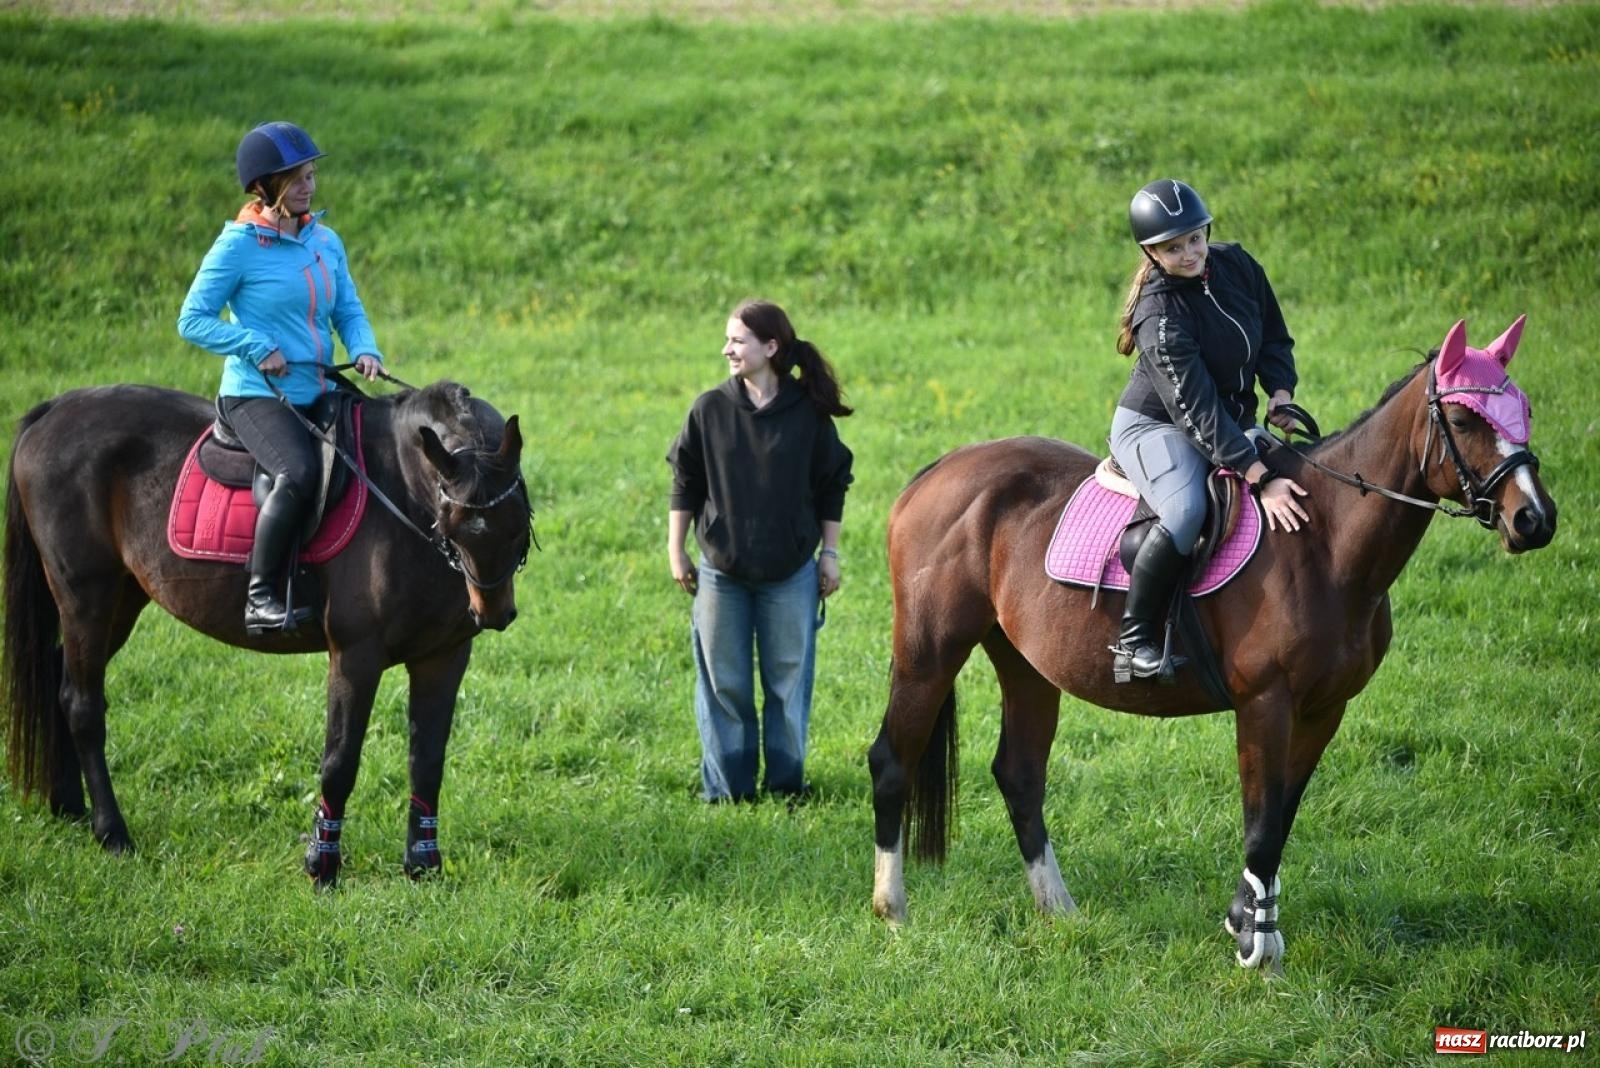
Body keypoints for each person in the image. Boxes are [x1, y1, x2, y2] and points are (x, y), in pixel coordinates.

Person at [177, 121, 385, 636]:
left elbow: (348, 309)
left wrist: (363, 348)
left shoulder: (325, 240)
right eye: (295, 180)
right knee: (297, 473)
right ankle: (260, 595)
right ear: (264, 188)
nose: (308, 187)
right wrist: (255, 346)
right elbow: (192, 318)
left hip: (317, 387)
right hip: (256, 395)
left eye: (310, 175)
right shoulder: (237, 247)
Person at [1108, 178, 1311, 681]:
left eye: (1195, 238)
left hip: (1228, 419)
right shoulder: (1157, 316)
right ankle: (1133, 644)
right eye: (1173, 248)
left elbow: (1274, 336)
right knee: (1185, 509)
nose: (1190, 253)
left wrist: (1281, 393)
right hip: (1157, 426)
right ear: (1150, 253)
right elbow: (1196, 413)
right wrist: (1261, 477)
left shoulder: (1237, 265)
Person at [666, 300, 855, 803]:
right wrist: (676, 549)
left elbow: (833, 483)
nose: (727, 349)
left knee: (787, 682)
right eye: (727, 339)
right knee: (723, 684)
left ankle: (787, 786)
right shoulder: (710, 409)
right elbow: (684, 480)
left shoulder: (808, 415)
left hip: (790, 573)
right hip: (721, 572)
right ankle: (728, 791)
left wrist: (829, 555)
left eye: (737, 340)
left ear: (770, 347)